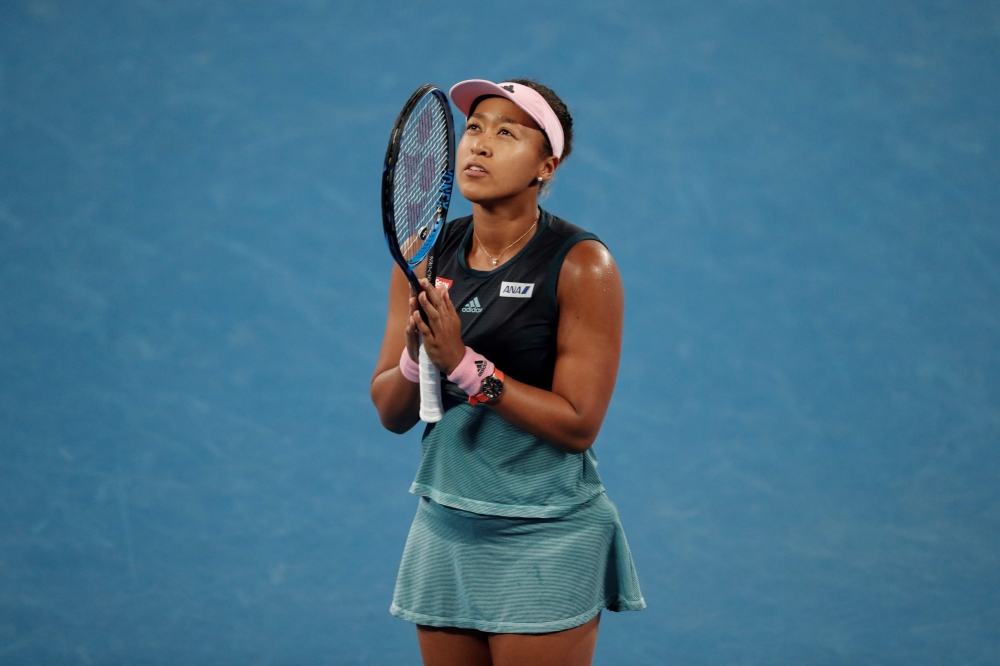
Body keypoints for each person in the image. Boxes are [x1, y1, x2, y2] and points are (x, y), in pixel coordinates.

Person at [370, 78, 644, 666]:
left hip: (544, 535)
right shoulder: (423, 256)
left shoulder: (582, 265)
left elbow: (578, 424)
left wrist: (463, 366)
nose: (480, 145)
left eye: (506, 132)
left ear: (546, 165)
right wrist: (417, 353)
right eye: (472, 128)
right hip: (444, 530)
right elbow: (390, 412)